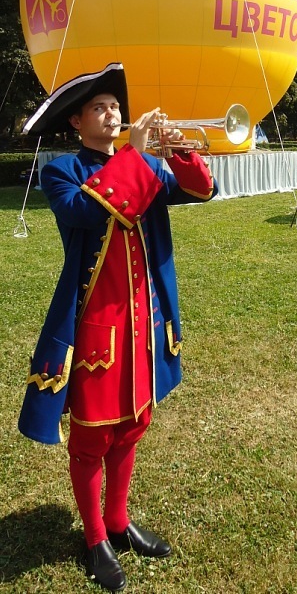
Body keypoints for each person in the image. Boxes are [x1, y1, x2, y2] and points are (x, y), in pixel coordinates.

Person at [18, 63, 218, 592]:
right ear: (77, 122)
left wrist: (179, 151)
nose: (111, 113)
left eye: (114, 106)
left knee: (132, 426)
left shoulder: (144, 163)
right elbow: (85, 212)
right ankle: (94, 538)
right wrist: (136, 153)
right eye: (99, 107)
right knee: (91, 437)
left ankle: (118, 521)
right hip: (95, 325)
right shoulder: (62, 171)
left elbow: (202, 190)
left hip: (144, 320)